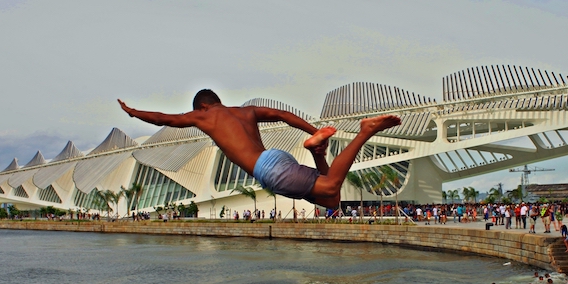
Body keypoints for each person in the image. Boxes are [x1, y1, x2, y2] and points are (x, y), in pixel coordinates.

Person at [120, 90, 401, 208]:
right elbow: (282, 114)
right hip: (275, 157)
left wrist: (133, 112)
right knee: (331, 202)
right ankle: (317, 152)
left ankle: (365, 131)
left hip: (267, 168)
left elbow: (165, 119)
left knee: (329, 188)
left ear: (203, 107)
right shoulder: (245, 112)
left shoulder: (205, 116)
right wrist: (313, 131)